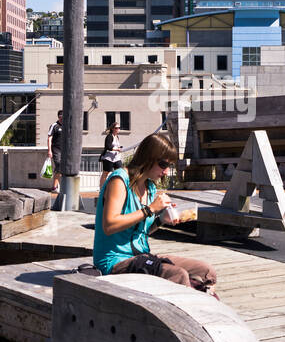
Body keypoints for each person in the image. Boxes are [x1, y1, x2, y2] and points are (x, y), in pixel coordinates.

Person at [92, 132, 216, 294]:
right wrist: (150, 209)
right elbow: (109, 225)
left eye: (169, 166)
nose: (165, 171)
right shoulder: (120, 180)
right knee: (177, 275)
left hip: (142, 257)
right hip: (114, 261)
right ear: (148, 158)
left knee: (206, 271)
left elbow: (139, 232)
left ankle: (202, 309)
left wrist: (161, 220)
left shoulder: (150, 188)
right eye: (163, 164)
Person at [47, 109, 64, 196]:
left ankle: (56, 186)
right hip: (56, 150)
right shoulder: (54, 126)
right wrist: (49, 150)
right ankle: (54, 187)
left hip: (65, 150)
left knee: (61, 169)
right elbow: (49, 138)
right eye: (60, 117)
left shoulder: (67, 126)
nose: (62, 118)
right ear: (58, 117)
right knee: (59, 166)